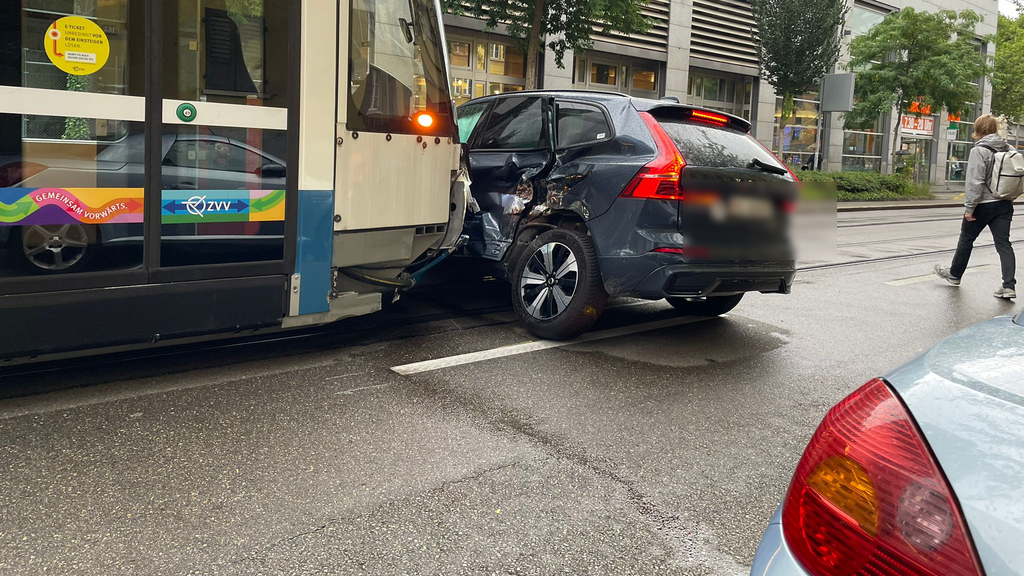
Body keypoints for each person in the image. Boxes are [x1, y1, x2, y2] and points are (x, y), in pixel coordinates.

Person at [935, 114, 1016, 298]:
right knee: (1004, 244)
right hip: (1004, 203)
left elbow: (975, 182)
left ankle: (955, 275)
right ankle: (1009, 286)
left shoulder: (979, 150)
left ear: (978, 129)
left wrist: (970, 208)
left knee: (966, 239)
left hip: (983, 204)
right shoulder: (1008, 148)